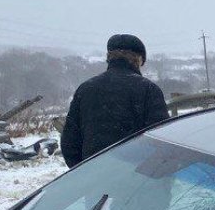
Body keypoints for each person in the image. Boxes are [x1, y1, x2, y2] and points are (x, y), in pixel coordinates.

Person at [60, 34, 170, 168]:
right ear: (138, 60)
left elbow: (69, 143)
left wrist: (83, 171)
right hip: (136, 177)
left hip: (93, 175)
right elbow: (162, 140)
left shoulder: (85, 89)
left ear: (109, 57)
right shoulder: (148, 90)